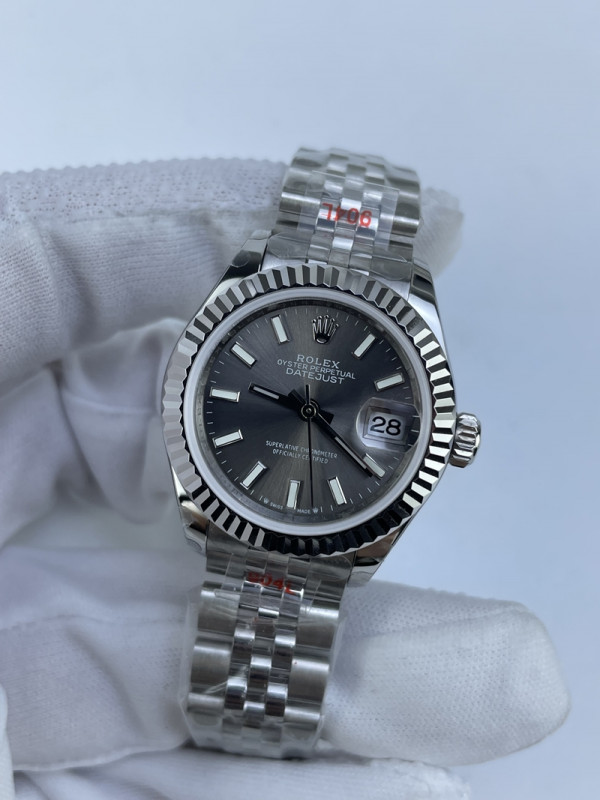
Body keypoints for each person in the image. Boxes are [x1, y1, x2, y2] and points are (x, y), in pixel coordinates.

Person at [0, 158, 569, 800]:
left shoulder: (394, 413)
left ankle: (242, 726)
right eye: (304, 406)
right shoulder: (222, 358)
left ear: (449, 439)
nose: (311, 410)